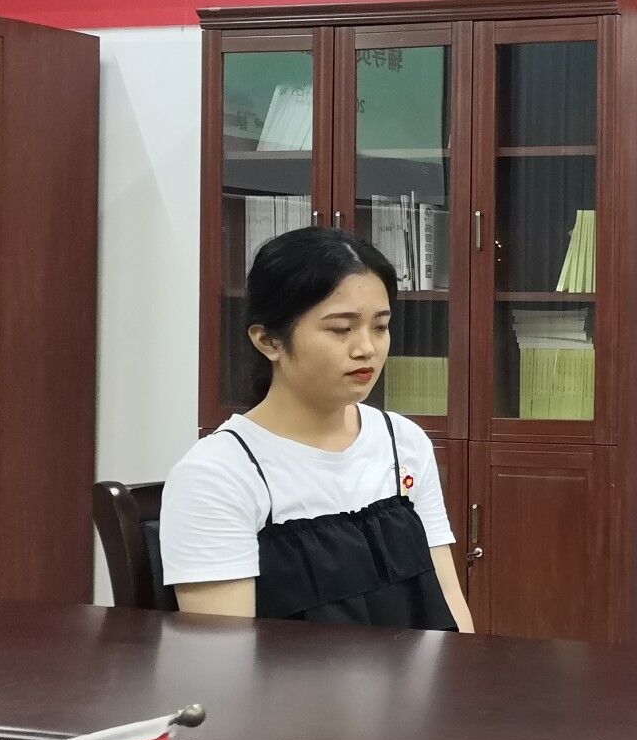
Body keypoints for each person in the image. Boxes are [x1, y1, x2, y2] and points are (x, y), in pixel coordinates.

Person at [161, 227, 474, 631]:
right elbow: (224, 655)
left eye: (380, 327)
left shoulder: (404, 442)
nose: (367, 348)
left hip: (418, 673)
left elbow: (449, 605)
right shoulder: (219, 474)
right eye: (341, 329)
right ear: (269, 341)